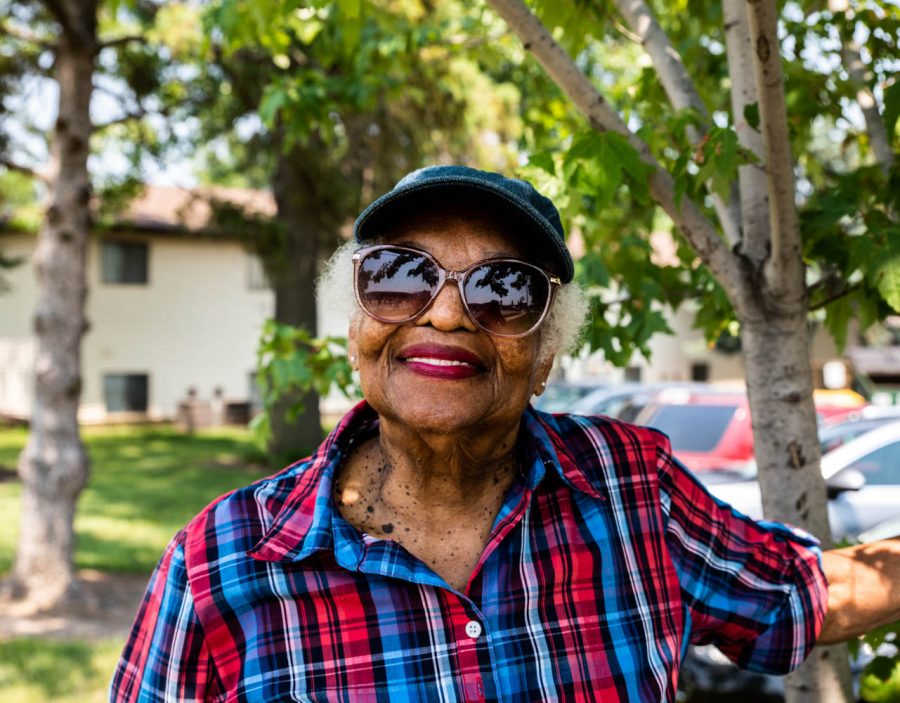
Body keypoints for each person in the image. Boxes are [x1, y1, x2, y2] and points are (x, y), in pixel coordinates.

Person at [110, 166, 900, 702]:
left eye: (503, 288)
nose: (447, 313)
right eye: (398, 275)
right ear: (355, 324)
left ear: (547, 350)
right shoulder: (221, 565)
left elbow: (805, 593)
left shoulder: (632, 489)